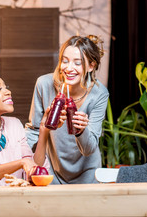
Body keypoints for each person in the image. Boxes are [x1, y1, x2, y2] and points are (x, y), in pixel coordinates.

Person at [25, 35, 109, 184]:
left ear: (91, 66)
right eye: (64, 61)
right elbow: (33, 130)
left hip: (88, 174)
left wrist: (82, 130)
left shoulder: (99, 94)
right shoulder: (44, 85)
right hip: (53, 171)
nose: (68, 68)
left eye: (77, 63)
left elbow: (89, 149)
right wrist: (28, 165)